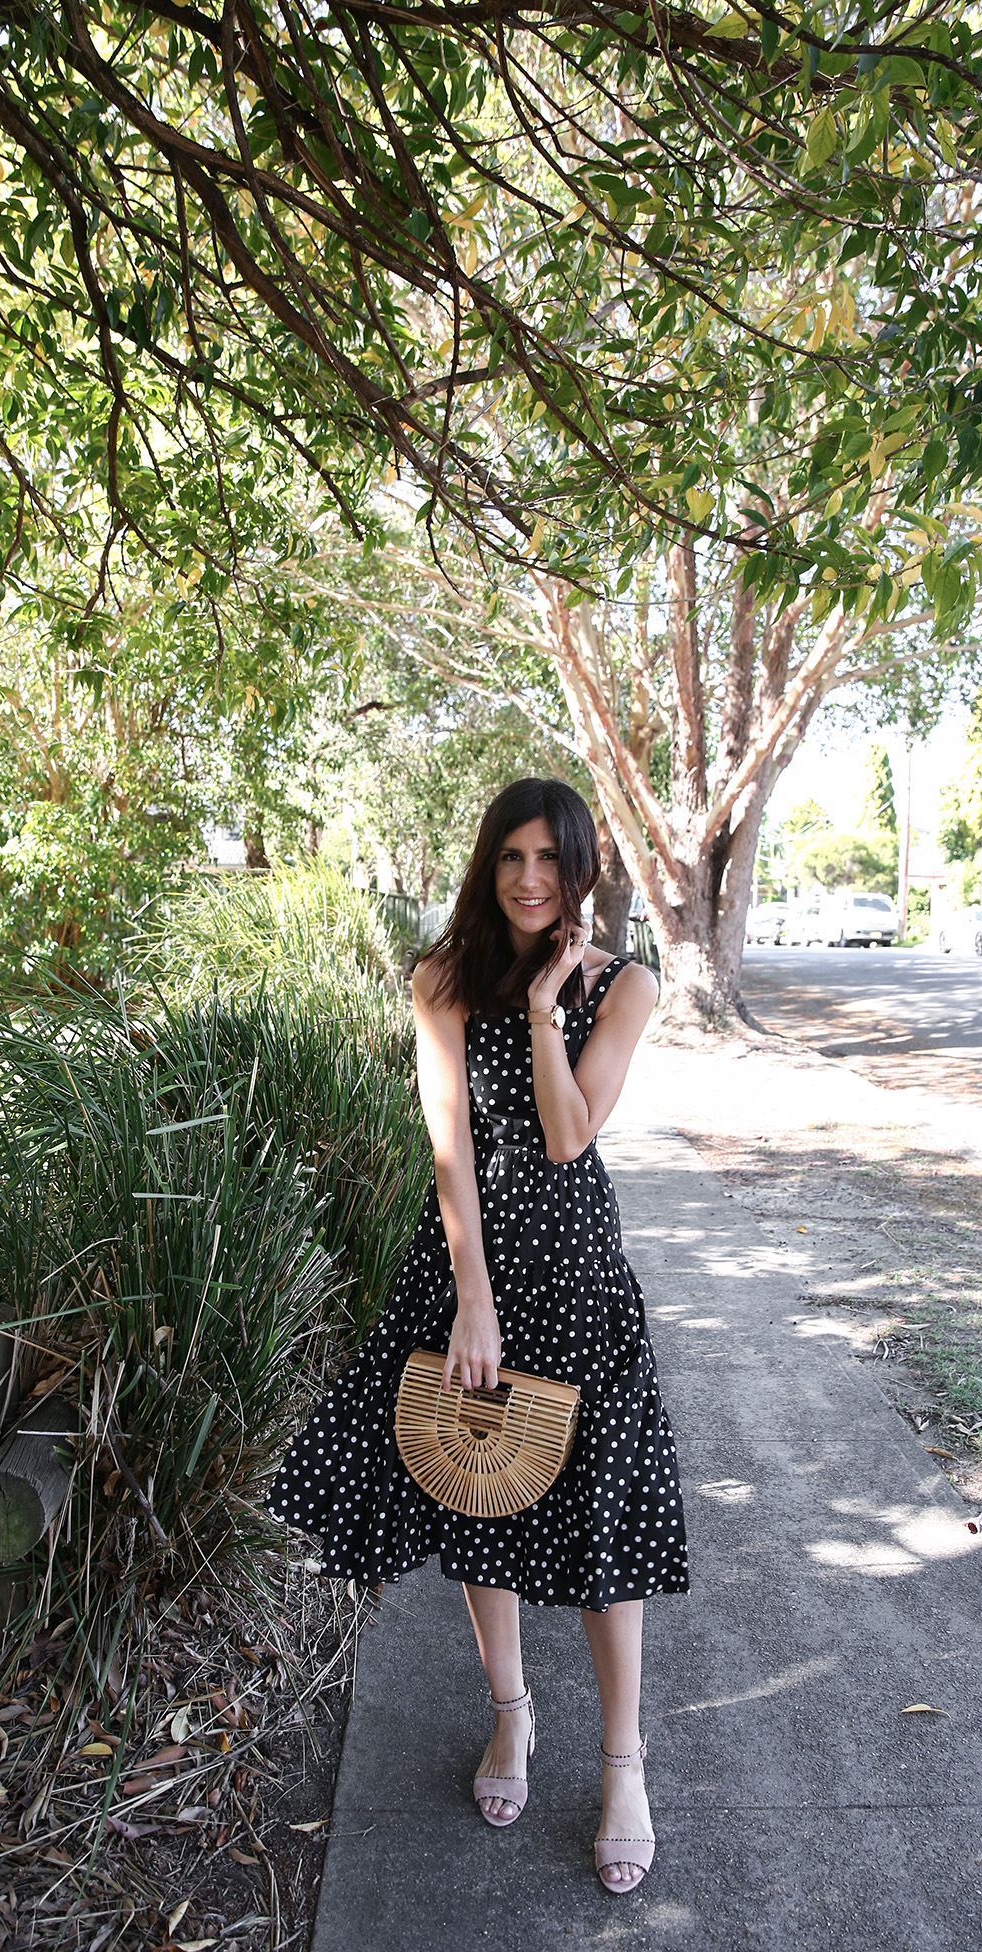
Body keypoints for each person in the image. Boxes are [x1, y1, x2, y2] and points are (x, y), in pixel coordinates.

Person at [268, 777, 688, 1892]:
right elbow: (450, 1143)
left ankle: (622, 1759)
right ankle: (510, 1713)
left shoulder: (626, 984)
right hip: (467, 1262)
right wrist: (470, 1296)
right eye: (509, 857)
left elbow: (563, 1137)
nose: (528, 878)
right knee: (475, 1482)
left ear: (582, 866)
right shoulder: (443, 976)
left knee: (602, 1506)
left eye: (549, 857)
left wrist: (551, 1006)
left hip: (578, 1269)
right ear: (484, 865)